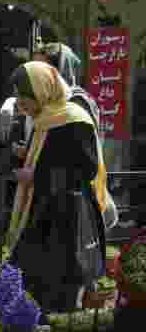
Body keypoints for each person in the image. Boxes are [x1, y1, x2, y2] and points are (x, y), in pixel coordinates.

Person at [6, 61, 106, 312]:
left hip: (67, 217)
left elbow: (86, 169)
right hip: (41, 210)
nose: (19, 102)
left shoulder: (74, 118)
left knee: (59, 285)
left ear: (41, 90)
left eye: (24, 95)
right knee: (31, 282)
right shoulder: (43, 119)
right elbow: (45, 157)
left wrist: (36, 177)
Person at [32, 41, 117, 230]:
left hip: (75, 201)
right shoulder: (50, 104)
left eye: (43, 68)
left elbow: (82, 161)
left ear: (60, 69)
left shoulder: (76, 103)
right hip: (53, 198)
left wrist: (37, 173)